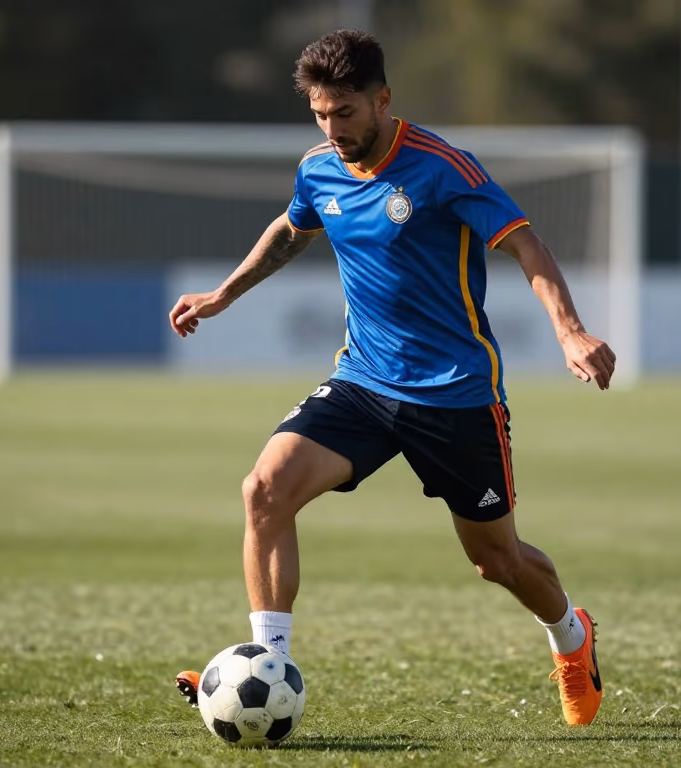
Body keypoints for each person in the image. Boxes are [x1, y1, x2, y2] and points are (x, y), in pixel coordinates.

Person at [171, 30, 615, 726]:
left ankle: (571, 637)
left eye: (345, 112)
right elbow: (292, 228)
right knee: (264, 490)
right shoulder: (320, 169)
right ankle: (267, 665)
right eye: (320, 114)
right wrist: (223, 294)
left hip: (456, 395)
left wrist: (569, 330)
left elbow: (525, 242)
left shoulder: (442, 169)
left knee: (496, 561)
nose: (333, 128)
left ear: (382, 99)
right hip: (364, 383)